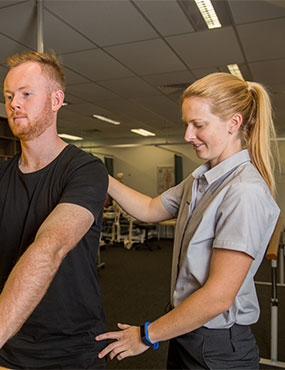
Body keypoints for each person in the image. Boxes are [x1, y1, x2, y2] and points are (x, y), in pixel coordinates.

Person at [96, 72, 281, 369]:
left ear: (234, 123)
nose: (187, 136)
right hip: (186, 331)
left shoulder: (243, 191)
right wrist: (101, 177)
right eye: (186, 124)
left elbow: (219, 297)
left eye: (199, 125)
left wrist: (146, 335)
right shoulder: (199, 180)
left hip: (218, 347)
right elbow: (148, 208)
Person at [0, 51, 108, 369]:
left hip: (70, 351)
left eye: (26, 94)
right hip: (10, 348)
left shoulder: (85, 169)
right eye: (8, 95)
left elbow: (50, 248)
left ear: (56, 99)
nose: (14, 104)